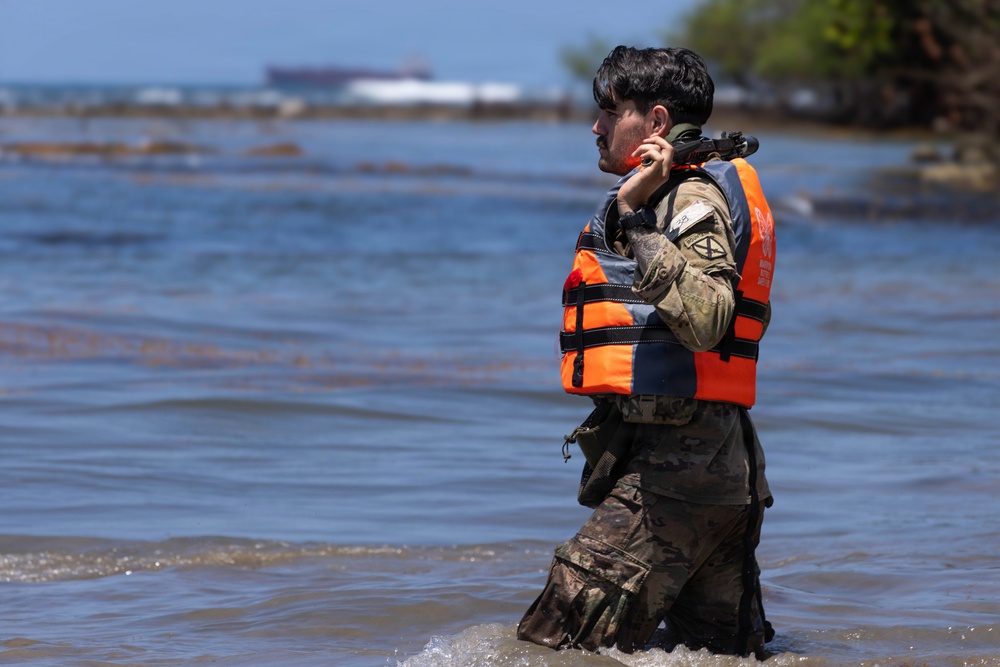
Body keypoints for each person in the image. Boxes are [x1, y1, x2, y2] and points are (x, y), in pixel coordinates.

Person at [517, 46, 777, 658]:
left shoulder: (687, 201)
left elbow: (710, 318)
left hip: (676, 480)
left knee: (551, 645)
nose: (596, 126)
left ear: (655, 124)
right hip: (714, 475)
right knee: (721, 657)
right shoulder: (676, 193)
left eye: (610, 112)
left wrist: (633, 220)